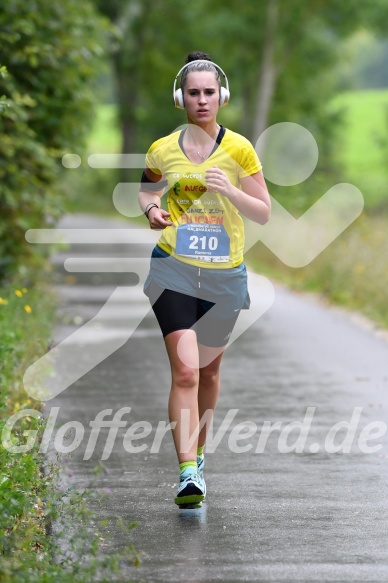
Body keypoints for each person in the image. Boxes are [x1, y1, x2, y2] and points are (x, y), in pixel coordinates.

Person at [138, 51, 271, 508]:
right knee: (186, 371)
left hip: (224, 277)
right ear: (181, 98)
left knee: (210, 370)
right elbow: (147, 187)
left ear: (221, 97)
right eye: (193, 92)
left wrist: (230, 189)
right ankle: (187, 472)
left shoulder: (239, 150)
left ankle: (199, 451)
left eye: (208, 92)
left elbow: (264, 212)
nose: (201, 100)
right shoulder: (163, 149)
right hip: (172, 268)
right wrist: (153, 210)